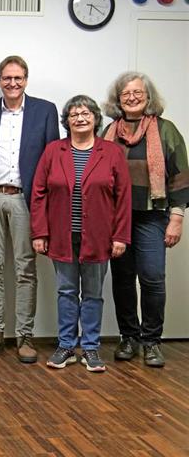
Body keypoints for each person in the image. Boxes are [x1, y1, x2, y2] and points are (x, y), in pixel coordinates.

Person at [32, 95, 131, 372]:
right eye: (74, 114)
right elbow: (38, 194)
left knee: (92, 294)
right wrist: (39, 232)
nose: (80, 118)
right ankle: (66, 345)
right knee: (65, 291)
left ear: (96, 119)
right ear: (67, 121)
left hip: (99, 236)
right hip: (62, 236)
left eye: (86, 113)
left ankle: (90, 348)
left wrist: (120, 236)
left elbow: (123, 198)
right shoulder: (53, 151)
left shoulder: (111, 153)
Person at [0, 55, 59, 364]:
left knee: (26, 268)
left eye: (18, 78)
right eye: (7, 78)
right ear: (0, 80)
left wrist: (47, 209)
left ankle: (25, 335)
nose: (12, 83)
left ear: (26, 79)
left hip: (28, 200)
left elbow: (53, 163)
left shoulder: (45, 110)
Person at [102, 72, 189, 367]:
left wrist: (176, 218)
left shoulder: (166, 131)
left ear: (148, 96)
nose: (132, 97)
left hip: (153, 216)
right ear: (117, 99)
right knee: (123, 281)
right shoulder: (108, 132)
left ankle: (152, 341)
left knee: (152, 279)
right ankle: (129, 337)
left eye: (138, 92)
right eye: (126, 93)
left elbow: (181, 179)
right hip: (117, 220)